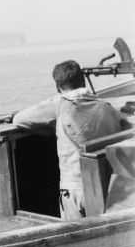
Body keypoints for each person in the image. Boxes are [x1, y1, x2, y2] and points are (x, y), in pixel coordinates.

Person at [12, 59, 123, 220]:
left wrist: (48, 129)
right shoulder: (106, 106)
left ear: (58, 87)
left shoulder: (59, 104)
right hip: (107, 186)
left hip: (76, 191)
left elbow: (19, 119)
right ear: (83, 81)